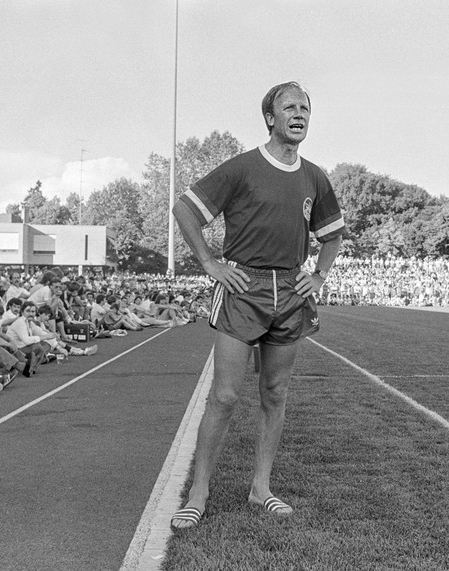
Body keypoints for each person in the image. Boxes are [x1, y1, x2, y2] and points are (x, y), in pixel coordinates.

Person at [169, 81, 344, 530]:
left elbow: (333, 233)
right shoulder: (243, 167)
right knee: (225, 395)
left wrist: (318, 274)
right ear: (270, 117)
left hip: (289, 290)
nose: (299, 112)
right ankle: (198, 492)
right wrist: (209, 262)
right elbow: (185, 210)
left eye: (305, 106)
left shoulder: (315, 176)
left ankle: (260, 488)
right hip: (242, 285)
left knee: (275, 393)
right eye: (289, 106)